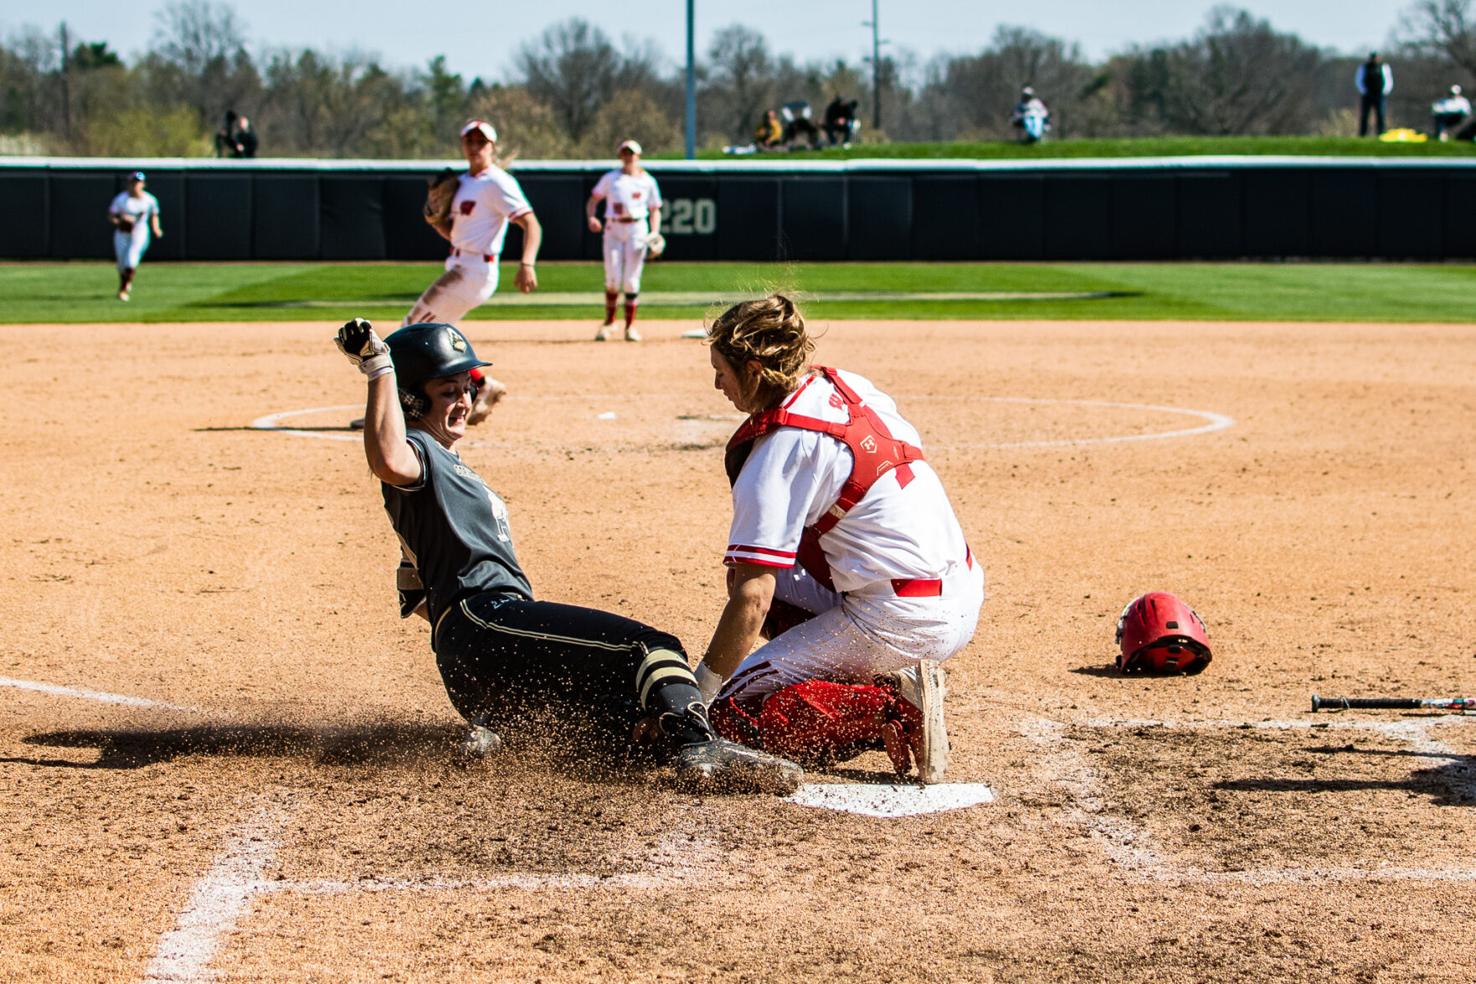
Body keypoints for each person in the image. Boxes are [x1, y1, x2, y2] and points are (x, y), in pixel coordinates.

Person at [332, 317, 804, 793]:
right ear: (412, 399)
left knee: (637, 719)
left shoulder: (444, 478)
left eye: (466, 387)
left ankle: (504, 730)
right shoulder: (421, 454)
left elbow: (416, 593)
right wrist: (380, 371)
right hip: (485, 619)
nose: (464, 401)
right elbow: (389, 459)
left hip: (484, 651)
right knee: (651, 648)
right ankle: (701, 747)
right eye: (447, 391)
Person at [692, 295, 985, 783]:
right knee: (763, 569)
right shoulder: (846, 385)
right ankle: (847, 673)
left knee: (725, 720)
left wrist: (699, 696)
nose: (716, 383)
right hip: (958, 590)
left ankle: (891, 707)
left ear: (754, 369)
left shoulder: (778, 453)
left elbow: (753, 600)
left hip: (900, 620)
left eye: (722, 370)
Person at [403, 118, 541, 425]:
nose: (476, 147)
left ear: (492, 146)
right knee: (434, 335)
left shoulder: (498, 182)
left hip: (475, 268)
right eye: (471, 141)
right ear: (463, 145)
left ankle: (401, 409)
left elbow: (531, 222)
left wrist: (527, 262)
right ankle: (482, 385)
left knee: (412, 331)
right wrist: (438, 222)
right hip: (460, 263)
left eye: (482, 142)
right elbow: (456, 235)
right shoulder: (463, 182)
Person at [585, 139, 663, 342]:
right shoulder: (611, 178)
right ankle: (609, 323)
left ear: (638, 156)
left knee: (631, 280)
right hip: (613, 227)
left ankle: (630, 327)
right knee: (612, 278)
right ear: (620, 155)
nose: (628, 157)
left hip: (637, 228)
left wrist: (654, 232)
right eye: (625, 153)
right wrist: (592, 217)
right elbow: (593, 200)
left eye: (632, 153)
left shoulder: (648, 181)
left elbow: (655, 209)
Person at [107, 171, 163, 302]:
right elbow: (111, 216)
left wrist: (156, 228)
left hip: (140, 232)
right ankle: (126, 282)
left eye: (138, 183)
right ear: (129, 184)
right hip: (123, 233)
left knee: (130, 260)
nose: (135, 186)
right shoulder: (121, 199)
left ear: (143, 184)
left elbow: (154, 215)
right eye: (133, 183)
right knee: (121, 264)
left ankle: (123, 290)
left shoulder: (149, 200)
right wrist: (121, 220)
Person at [1356, 52, 1393, 137]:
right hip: (1367, 94)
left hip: (1380, 94)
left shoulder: (1384, 66)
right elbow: (1359, 80)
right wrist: (1364, 91)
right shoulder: (1364, 67)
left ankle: (1381, 133)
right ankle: (1363, 134)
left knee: (1380, 114)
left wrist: (1385, 91)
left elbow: (1388, 80)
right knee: (1365, 115)